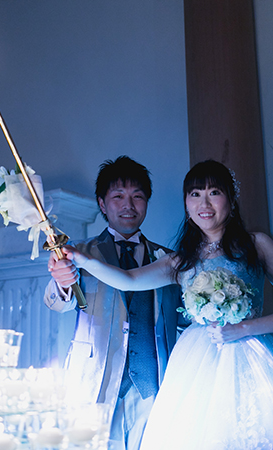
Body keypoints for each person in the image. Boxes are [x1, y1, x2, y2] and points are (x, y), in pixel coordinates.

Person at [51, 160, 273, 449]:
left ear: (230, 201)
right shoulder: (180, 259)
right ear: (186, 204)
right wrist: (80, 259)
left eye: (214, 193)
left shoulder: (257, 245)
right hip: (196, 364)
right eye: (195, 194)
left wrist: (244, 328)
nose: (204, 204)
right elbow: (128, 280)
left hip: (254, 356)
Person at [43, 156, 182, 450]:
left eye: (137, 196)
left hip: (154, 385)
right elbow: (58, 303)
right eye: (118, 196)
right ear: (103, 204)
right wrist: (63, 280)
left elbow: (183, 317)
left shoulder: (168, 259)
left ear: (146, 202)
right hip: (96, 382)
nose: (128, 205)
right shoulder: (80, 252)